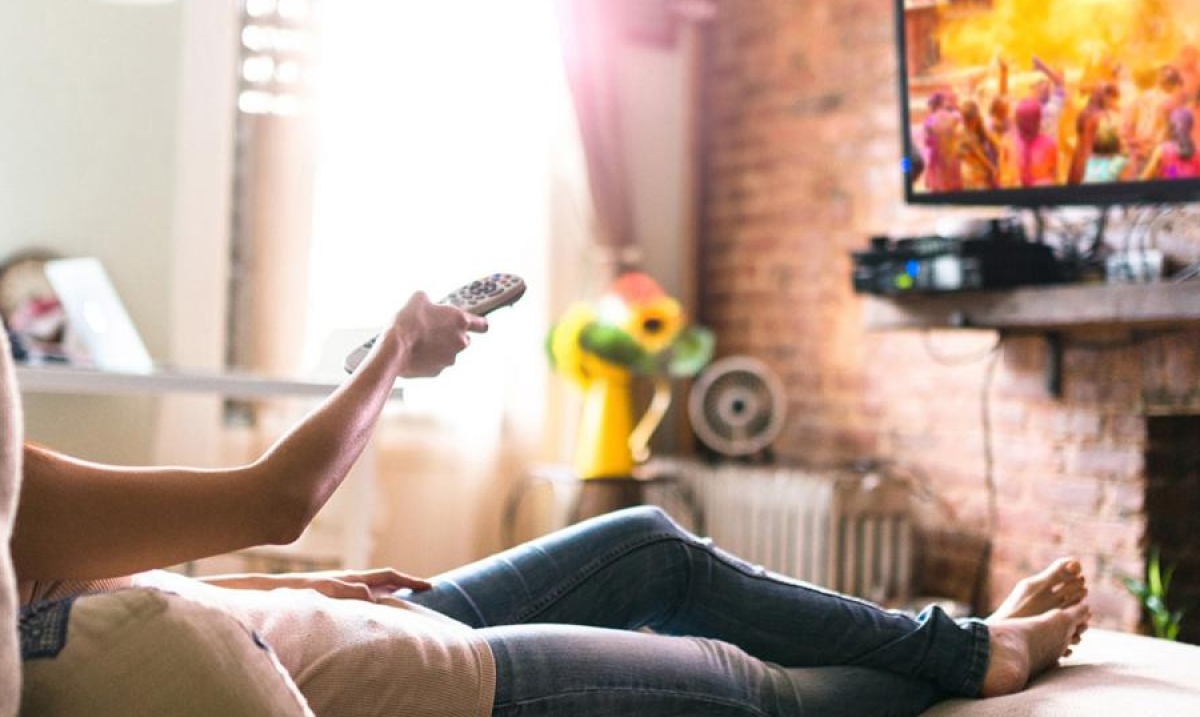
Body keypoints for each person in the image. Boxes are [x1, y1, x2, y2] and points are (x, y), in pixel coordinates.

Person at [7, 295, 1092, 717]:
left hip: (324, 619)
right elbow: (282, 493)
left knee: (651, 543)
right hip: (404, 681)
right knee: (749, 692)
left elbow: (81, 595)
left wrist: (278, 584)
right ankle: (977, 655)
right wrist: (398, 352)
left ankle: (964, 641)